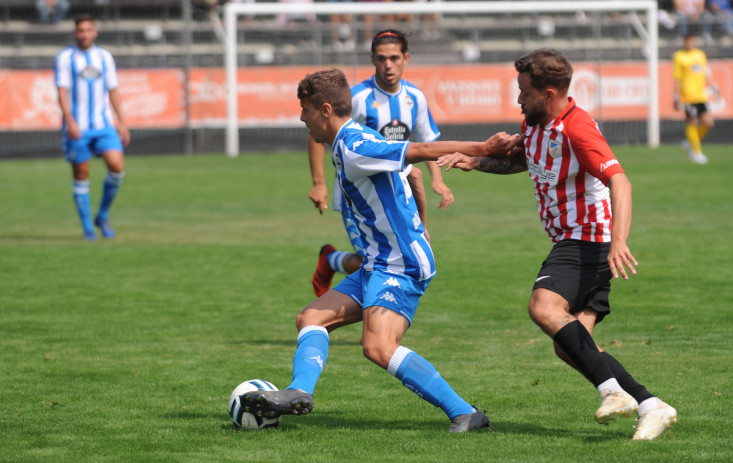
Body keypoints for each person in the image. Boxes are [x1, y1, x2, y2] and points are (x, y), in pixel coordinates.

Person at [240, 68, 518, 432]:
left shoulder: (355, 146)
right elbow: (412, 175)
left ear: (325, 110)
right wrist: (420, 223)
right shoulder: (347, 142)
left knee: (378, 347)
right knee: (310, 318)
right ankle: (298, 392)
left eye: (305, 109)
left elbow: (418, 152)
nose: (301, 117)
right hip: (378, 262)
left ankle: (466, 412)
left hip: (399, 264)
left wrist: (482, 149)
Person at [437, 49, 678, 441]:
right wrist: (476, 162)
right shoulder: (535, 123)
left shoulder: (578, 128)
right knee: (572, 347)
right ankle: (652, 406)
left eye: (524, 92)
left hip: (587, 239)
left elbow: (621, 181)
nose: (518, 99)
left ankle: (612, 391)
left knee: (543, 305)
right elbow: (526, 161)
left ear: (548, 94)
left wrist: (619, 241)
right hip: (578, 239)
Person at [309, 29, 454, 297]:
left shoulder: (415, 98)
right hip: (357, 195)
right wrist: (319, 183)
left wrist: (439, 179)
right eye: (381, 58)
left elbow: (425, 142)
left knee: (388, 259)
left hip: (397, 191)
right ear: (373, 60)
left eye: (394, 58)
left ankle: (333, 262)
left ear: (406, 58)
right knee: (377, 261)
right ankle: (374, 322)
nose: (388, 65)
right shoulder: (357, 97)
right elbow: (316, 131)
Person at [55, 14, 130, 240]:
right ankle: (88, 228)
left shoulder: (105, 57)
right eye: (81, 30)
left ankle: (102, 215)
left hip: (103, 124)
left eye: (88, 30)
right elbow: (62, 92)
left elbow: (113, 90)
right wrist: (70, 122)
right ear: (75, 33)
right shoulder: (66, 58)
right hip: (78, 126)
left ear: (95, 32)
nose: (84, 34)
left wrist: (122, 122)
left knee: (116, 166)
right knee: (81, 174)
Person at [673, 33, 716, 164]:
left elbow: (705, 73)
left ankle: (689, 142)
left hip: (700, 95)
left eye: (692, 41)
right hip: (687, 96)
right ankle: (696, 152)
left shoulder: (700, 54)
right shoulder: (679, 56)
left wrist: (714, 88)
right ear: (684, 42)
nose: (689, 44)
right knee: (692, 122)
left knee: (708, 123)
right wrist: (676, 96)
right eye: (687, 42)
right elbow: (677, 79)